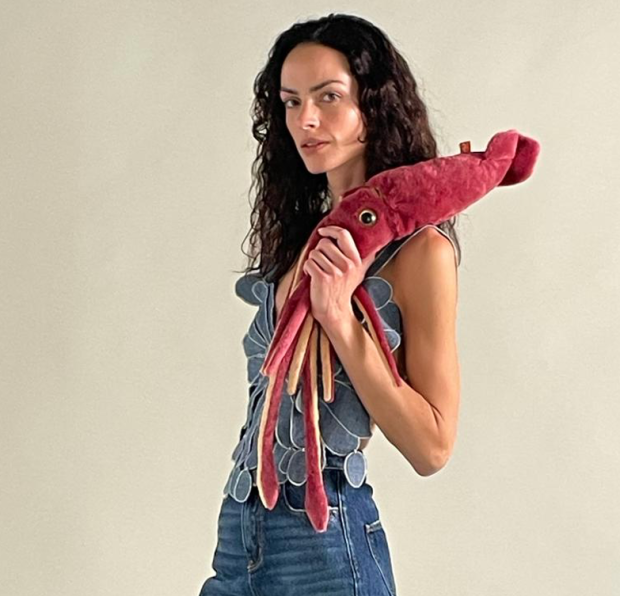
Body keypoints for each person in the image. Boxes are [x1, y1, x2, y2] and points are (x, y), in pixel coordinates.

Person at [198, 12, 461, 596]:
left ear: (375, 103)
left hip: (325, 542)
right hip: (240, 531)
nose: (306, 120)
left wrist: (341, 318)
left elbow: (433, 446)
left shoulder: (421, 252)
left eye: (329, 97)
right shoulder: (304, 240)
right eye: (291, 102)